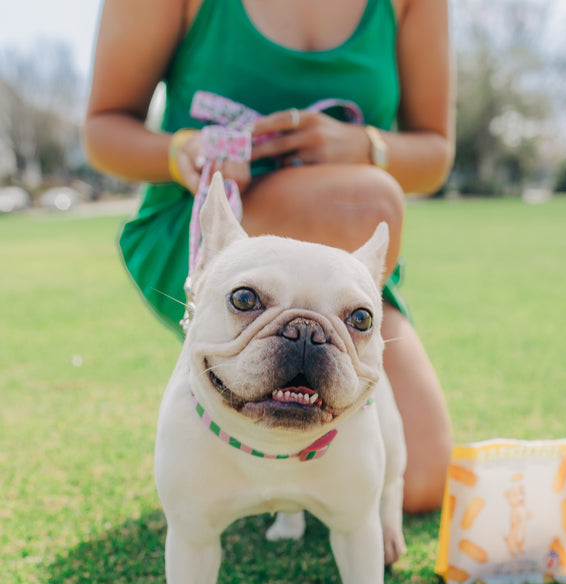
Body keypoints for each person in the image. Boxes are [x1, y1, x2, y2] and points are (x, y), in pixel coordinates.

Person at [84, 0, 455, 512]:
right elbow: (103, 128)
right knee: (367, 200)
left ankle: (292, 444)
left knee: (422, 480)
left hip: (344, 266)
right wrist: (184, 150)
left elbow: (435, 154)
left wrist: (367, 146)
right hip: (212, 226)